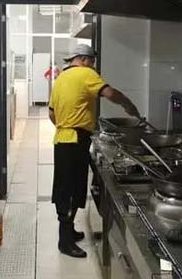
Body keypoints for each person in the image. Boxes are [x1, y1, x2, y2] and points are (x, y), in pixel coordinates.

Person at [48, 44, 140, 258]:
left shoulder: (61, 78)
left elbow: (52, 114)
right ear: (83, 59)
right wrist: (129, 106)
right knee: (70, 190)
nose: (93, 66)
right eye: (92, 62)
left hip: (62, 139)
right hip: (75, 140)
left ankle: (69, 231)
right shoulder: (85, 73)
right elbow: (110, 93)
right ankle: (65, 242)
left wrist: (67, 125)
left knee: (65, 187)